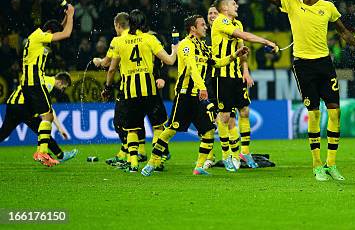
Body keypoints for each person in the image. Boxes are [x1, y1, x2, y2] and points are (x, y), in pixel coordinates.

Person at [257, 0, 355, 181]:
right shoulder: (291, 3)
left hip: (324, 63)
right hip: (303, 65)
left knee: (335, 113)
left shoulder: (327, 7)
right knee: (315, 114)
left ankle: (331, 164)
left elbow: (342, 30)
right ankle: (317, 165)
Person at [141, 14, 248, 176]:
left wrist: (235, 55)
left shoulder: (204, 47)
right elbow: (191, 67)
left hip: (198, 96)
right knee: (171, 129)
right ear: (193, 28)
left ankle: (199, 167)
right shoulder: (185, 45)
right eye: (202, 24)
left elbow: (217, 63)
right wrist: (202, 88)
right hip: (185, 96)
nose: (206, 27)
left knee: (208, 131)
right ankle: (151, 162)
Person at [103, 10, 177, 173]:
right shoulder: (149, 39)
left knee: (132, 129)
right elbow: (170, 60)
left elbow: (112, 69)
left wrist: (107, 87)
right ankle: (155, 161)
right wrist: (175, 48)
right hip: (149, 90)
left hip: (129, 92)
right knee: (158, 127)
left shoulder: (119, 41)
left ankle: (134, 163)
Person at [210, 0, 277, 171]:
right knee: (224, 116)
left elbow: (243, 50)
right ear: (224, 9)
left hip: (236, 75)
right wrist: (266, 41)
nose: (237, 5)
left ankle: (244, 152)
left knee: (245, 111)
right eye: (233, 4)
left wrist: (246, 71)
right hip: (222, 75)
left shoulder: (237, 23)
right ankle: (226, 156)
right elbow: (244, 36)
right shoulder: (220, 22)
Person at [23, 4, 75, 167]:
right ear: (50, 33)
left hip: (27, 83)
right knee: (48, 115)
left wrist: (66, 16)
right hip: (36, 81)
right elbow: (65, 33)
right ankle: (42, 152)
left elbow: (58, 29)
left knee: (45, 116)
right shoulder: (41, 36)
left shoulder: (36, 37)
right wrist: (72, 15)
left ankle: (41, 152)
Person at [0, 72, 78, 163]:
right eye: (63, 87)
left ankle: (56, 154)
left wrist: (60, 128)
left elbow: (49, 109)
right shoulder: (48, 84)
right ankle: (57, 155)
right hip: (23, 108)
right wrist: (60, 128)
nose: (62, 90)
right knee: (43, 131)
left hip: (12, 105)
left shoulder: (44, 79)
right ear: (60, 82)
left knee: (3, 133)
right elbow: (48, 112)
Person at [93, 12, 131, 166]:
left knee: (119, 122)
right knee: (135, 122)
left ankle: (130, 156)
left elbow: (109, 66)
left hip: (128, 87)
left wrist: (107, 87)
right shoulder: (141, 37)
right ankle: (126, 153)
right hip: (146, 86)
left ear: (117, 25)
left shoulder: (118, 40)